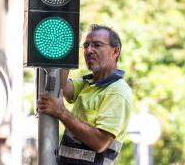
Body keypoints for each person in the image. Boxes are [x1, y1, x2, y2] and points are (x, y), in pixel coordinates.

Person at [37, 24, 133, 165]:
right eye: (86, 45)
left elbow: (100, 142)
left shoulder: (117, 92)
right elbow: (60, 85)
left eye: (97, 45)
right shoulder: (88, 83)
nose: (88, 50)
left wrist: (61, 112)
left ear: (115, 51)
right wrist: (71, 46)